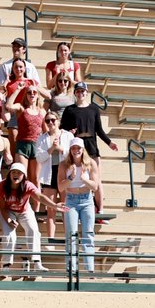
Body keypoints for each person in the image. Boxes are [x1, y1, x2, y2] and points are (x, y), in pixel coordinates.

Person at [0, 162, 58, 278]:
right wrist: (8, 220)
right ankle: (5, 266)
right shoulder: (1, 186)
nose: (16, 175)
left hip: (24, 210)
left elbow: (39, 196)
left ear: (23, 175)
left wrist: (54, 205)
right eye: (13, 172)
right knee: (9, 235)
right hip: (7, 211)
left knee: (33, 230)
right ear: (9, 174)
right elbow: (1, 207)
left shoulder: (28, 185)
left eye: (19, 173)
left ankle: (37, 264)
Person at [59, 82, 115, 212]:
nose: (80, 93)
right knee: (72, 177)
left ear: (86, 92)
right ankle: (71, 207)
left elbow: (99, 130)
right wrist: (69, 132)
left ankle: (101, 210)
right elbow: (62, 128)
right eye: (78, 91)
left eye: (82, 91)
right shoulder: (69, 109)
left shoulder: (94, 109)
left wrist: (109, 143)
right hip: (76, 145)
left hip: (91, 144)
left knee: (97, 179)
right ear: (75, 93)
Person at [59, 137, 98, 273]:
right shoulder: (64, 165)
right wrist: (71, 178)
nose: (76, 150)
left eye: (78, 148)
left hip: (87, 200)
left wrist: (84, 179)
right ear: (70, 150)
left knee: (88, 234)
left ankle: (90, 270)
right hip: (71, 200)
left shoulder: (91, 163)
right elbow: (60, 187)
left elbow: (95, 186)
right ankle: (71, 270)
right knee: (71, 234)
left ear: (83, 149)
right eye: (73, 148)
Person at [32, 112, 72, 242]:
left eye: (53, 120)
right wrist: (51, 149)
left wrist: (59, 148)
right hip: (49, 174)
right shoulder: (42, 138)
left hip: (64, 173)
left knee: (66, 208)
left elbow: (73, 154)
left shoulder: (68, 135)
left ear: (58, 121)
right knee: (51, 209)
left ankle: (69, 240)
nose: (50, 123)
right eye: (47, 121)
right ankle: (51, 241)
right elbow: (39, 158)